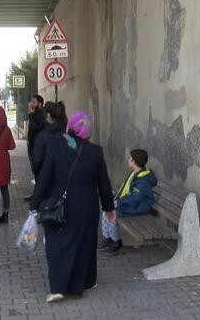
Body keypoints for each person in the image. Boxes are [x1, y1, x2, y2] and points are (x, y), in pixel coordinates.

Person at [29, 111, 115, 303]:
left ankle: (59, 287)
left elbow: (44, 178)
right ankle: (86, 281)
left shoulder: (56, 146)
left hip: (60, 205)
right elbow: (104, 184)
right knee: (85, 243)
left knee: (58, 244)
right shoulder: (95, 151)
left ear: (70, 127)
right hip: (87, 206)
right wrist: (109, 208)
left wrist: (34, 204)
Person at [99, 149, 157, 254]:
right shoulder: (136, 173)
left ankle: (116, 242)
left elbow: (135, 199)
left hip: (138, 207)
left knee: (111, 213)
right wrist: (115, 199)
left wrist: (117, 203)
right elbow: (126, 191)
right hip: (132, 204)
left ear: (134, 162)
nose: (128, 159)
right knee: (105, 210)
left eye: (130, 158)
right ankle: (108, 238)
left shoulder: (142, 180)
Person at [30, 101, 67, 178]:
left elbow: (37, 161)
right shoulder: (67, 134)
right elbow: (75, 148)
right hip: (64, 178)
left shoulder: (42, 136)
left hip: (45, 178)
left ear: (48, 115)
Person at [24, 95, 47, 201]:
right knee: (35, 171)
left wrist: (31, 115)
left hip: (37, 147)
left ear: (40, 104)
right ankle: (38, 193)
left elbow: (37, 128)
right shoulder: (34, 114)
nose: (31, 104)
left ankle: (39, 194)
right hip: (32, 145)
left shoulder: (41, 115)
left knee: (38, 170)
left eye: (34, 102)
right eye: (31, 101)